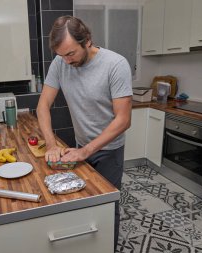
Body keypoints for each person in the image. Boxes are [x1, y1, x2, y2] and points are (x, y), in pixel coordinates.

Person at [36, 15, 132, 249]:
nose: (67, 61)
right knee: (84, 203)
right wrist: (51, 144)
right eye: (61, 55)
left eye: (71, 54)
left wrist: (86, 151)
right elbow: (42, 106)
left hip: (109, 150)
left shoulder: (116, 65)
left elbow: (123, 119)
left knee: (107, 205)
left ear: (87, 40)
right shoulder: (60, 63)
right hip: (81, 146)